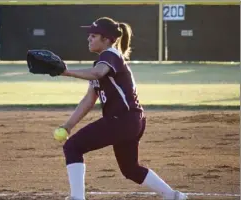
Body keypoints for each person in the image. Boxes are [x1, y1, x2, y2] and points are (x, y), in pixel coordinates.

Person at [59, 17, 188, 200]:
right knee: (130, 169)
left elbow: (98, 73)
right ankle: (174, 196)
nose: (89, 38)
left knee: (73, 147)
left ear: (107, 39)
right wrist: (68, 125)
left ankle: (77, 198)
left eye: (94, 35)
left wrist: (67, 72)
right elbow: (89, 99)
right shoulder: (104, 61)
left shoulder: (110, 55)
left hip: (121, 120)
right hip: (131, 120)